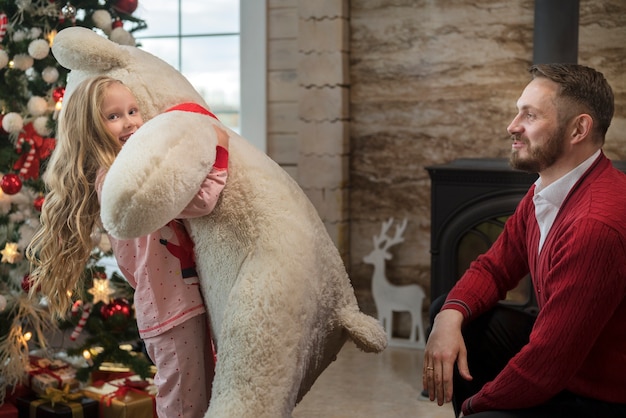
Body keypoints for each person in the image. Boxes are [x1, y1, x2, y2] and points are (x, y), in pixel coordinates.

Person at [422, 63, 626, 417]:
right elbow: (493, 267)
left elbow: (546, 365)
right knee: (451, 309)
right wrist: (449, 315)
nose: (512, 126)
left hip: (601, 395)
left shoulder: (595, 224)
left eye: (529, 116)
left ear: (578, 128)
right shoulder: (548, 192)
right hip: (569, 364)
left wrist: (473, 407)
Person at [27, 75, 229, 418]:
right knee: (184, 407)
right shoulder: (119, 179)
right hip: (170, 309)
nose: (130, 122)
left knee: (205, 398)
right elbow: (200, 201)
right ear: (91, 130)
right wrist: (219, 149)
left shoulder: (129, 167)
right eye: (114, 116)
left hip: (180, 300)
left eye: (132, 110)